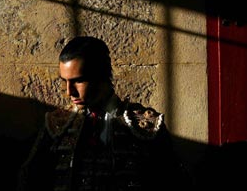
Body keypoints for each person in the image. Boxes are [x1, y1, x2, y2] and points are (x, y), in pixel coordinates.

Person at [17, 36, 191, 191]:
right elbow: (31, 181)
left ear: (101, 75)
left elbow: (174, 182)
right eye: (65, 81)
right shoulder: (56, 125)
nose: (69, 92)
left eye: (78, 81)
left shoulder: (146, 126)